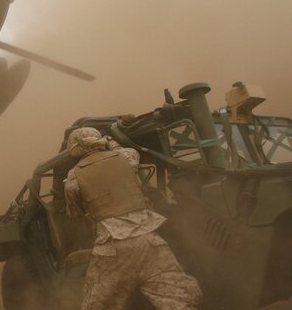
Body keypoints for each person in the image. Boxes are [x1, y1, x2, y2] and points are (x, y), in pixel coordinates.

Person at [64, 127, 202, 310]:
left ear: (74, 149)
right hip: (151, 242)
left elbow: (75, 214)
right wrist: (110, 141)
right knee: (179, 302)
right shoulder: (126, 156)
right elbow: (126, 151)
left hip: (114, 247)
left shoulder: (73, 177)